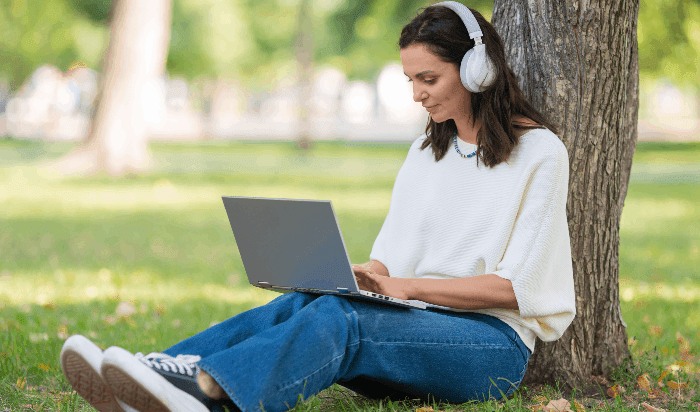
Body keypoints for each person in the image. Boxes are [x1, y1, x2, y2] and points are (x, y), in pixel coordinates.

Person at [59, 2, 576, 412]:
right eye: (410, 80)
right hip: (414, 325)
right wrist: (353, 276)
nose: (417, 94)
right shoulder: (426, 153)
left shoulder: (540, 154)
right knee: (307, 302)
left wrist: (404, 288)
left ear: (478, 70)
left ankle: (208, 392)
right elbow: (388, 265)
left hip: (490, 349)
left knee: (341, 319)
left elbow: (517, 288)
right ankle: (153, 376)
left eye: (429, 79)